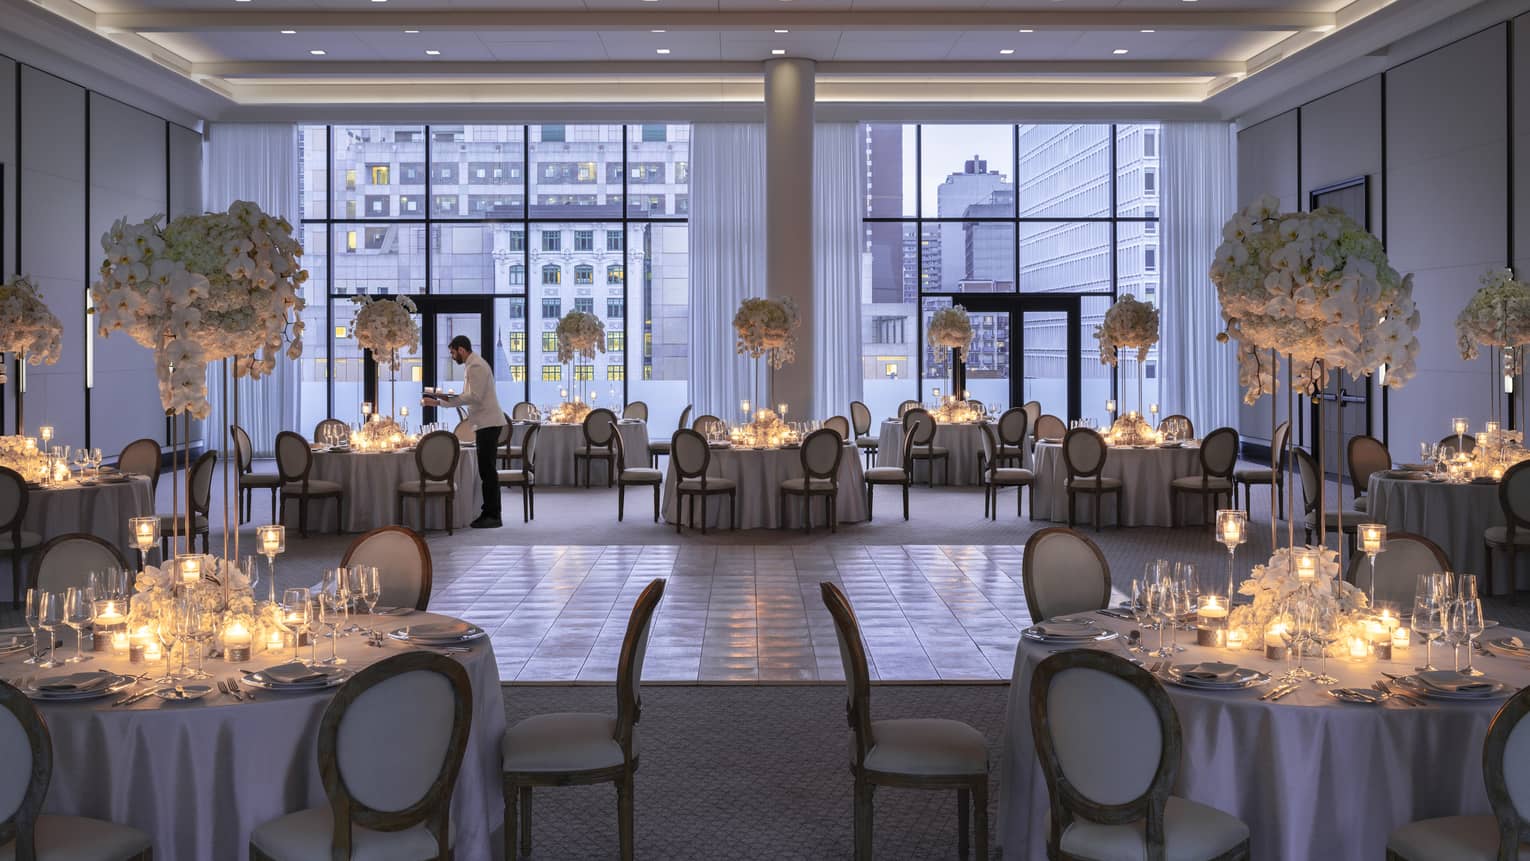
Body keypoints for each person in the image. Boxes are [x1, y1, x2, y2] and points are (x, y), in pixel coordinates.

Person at [422, 335, 506, 529]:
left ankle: (493, 515)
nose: (452, 356)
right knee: (487, 470)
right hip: (486, 423)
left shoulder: (475, 366)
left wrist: (442, 401)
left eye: (452, 352)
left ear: (461, 349)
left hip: (488, 423)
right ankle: (489, 512)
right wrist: (444, 399)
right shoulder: (474, 364)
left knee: (488, 471)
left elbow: (474, 397)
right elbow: (470, 395)